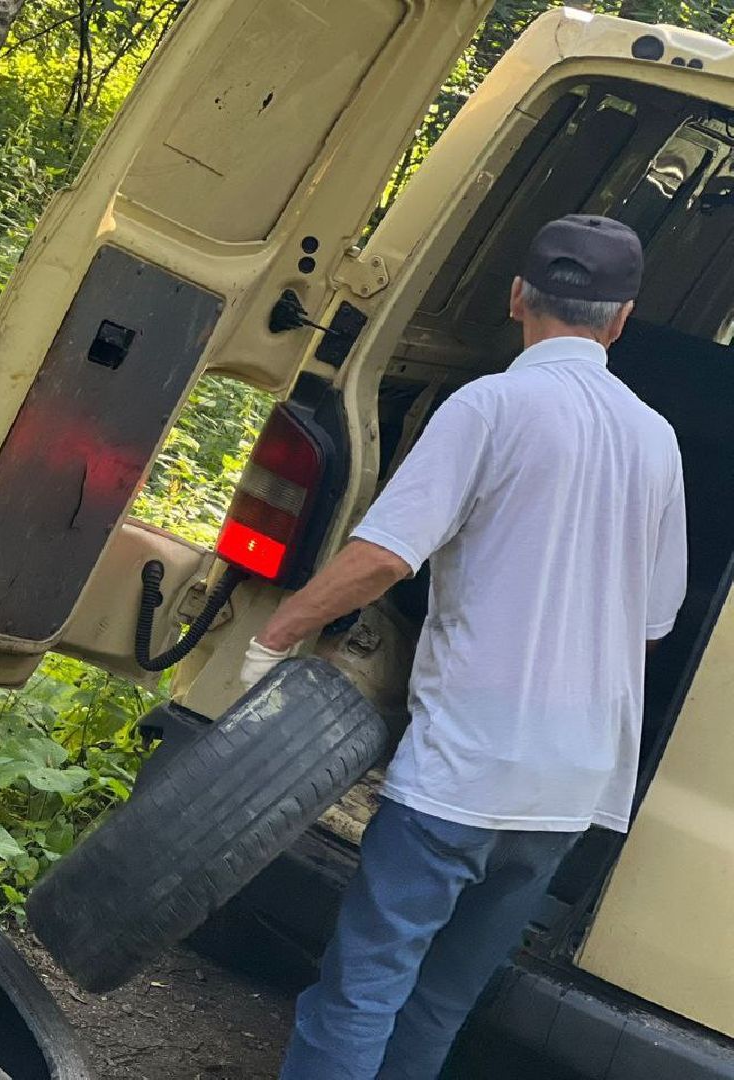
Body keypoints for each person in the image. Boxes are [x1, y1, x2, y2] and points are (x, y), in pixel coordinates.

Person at [243, 215, 688, 1080]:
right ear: (623, 318)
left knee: (359, 992)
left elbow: (382, 558)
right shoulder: (659, 443)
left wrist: (275, 634)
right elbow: (655, 621)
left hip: (464, 773)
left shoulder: (487, 405)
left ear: (517, 295)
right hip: (570, 790)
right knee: (439, 1006)